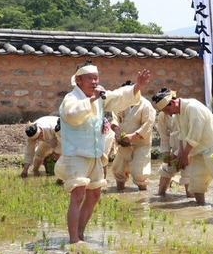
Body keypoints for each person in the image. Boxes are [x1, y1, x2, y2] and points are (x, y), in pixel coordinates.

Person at [54, 61, 151, 244]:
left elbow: (118, 97)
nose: (94, 81)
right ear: (79, 80)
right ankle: (74, 239)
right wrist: (91, 100)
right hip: (76, 154)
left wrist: (137, 86)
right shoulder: (71, 98)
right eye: (90, 78)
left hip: (95, 153)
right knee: (78, 194)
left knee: (95, 193)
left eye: (96, 78)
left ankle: (80, 233)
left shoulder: (100, 97)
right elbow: (71, 115)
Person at [152, 88, 213, 207]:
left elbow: (195, 134)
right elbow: (181, 134)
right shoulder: (178, 112)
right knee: (196, 181)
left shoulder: (193, 107)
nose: (167, 114)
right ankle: (201, 207)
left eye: (166, 109)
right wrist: (178, 153)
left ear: (173, 103)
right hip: (198, 148)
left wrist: (185, 155)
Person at [111, 80, 156, 191]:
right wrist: (117, 130)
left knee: (139, 173)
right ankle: (120, 191)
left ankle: (143, 195)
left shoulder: (146, 105)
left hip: (141, 144)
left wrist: (133, 136)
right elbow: (115, 118)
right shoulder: (121, 103)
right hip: (123, 142)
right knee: (118, 170)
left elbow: (148, 124)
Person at [154, 99, 190, 197]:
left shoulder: (183, 112)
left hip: (187, 148)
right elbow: (164, 136)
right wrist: (166, 153)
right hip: (174, 146)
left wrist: (179, 153)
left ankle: (192, 201)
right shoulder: (162, 116)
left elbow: (186, 135)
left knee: (187, 175)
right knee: (166, 170)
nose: (165, 112)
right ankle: (160, 196)